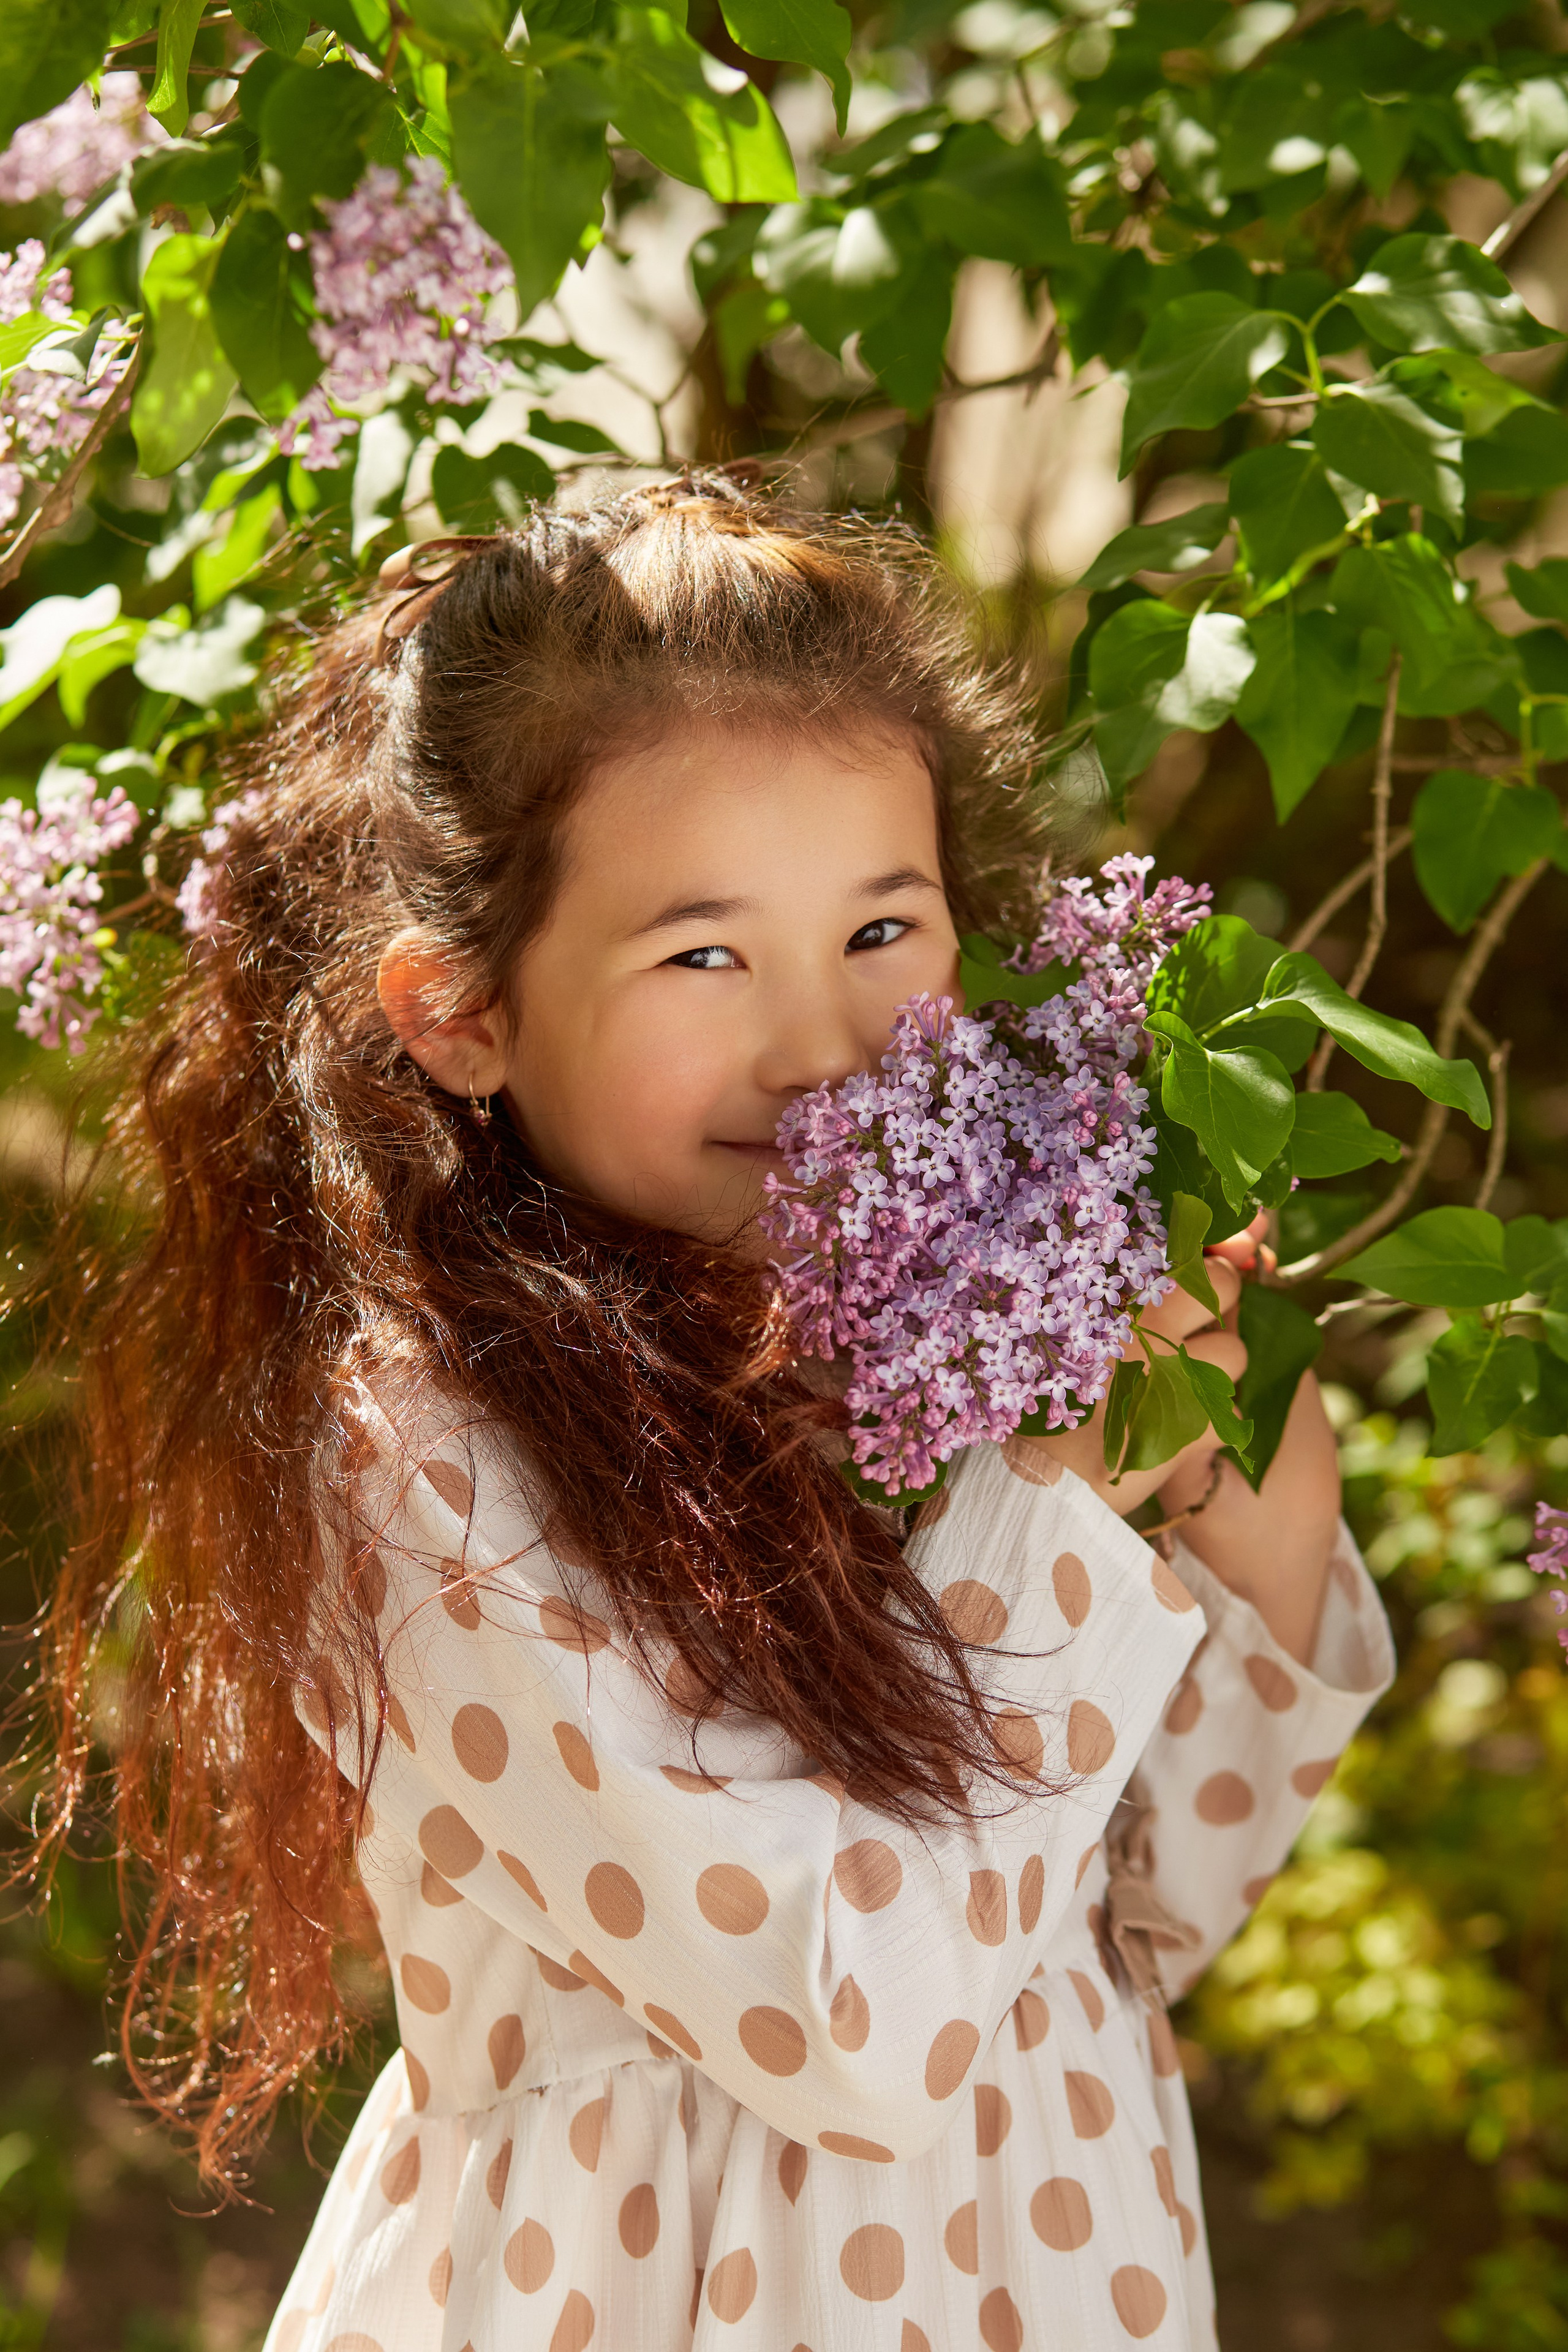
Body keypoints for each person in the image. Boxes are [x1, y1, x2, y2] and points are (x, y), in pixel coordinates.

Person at [37, 476, 1392, 2351]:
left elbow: (1149, 1900)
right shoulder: (431, 1446)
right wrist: (1065, 1497)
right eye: (702, 954)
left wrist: (1256, 1464)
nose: (822, 1047)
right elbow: (852, 2028)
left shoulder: (951, 1314)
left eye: (881, 929)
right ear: (463, 1013)